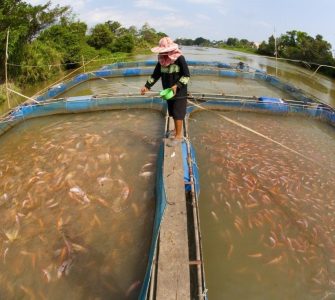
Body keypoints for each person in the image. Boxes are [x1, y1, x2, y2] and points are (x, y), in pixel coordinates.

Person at [140, 37, 190, 147]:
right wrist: (147, 86)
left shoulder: (179, 58)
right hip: (168, 91)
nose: (164, 53)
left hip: (179, 92)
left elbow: (187, 75)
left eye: (166, 51)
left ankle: (178, 136)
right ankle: (175, 130)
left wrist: (177, 85)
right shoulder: (161, 61)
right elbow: (155, 75)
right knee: (172, 112)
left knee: (178, 114)